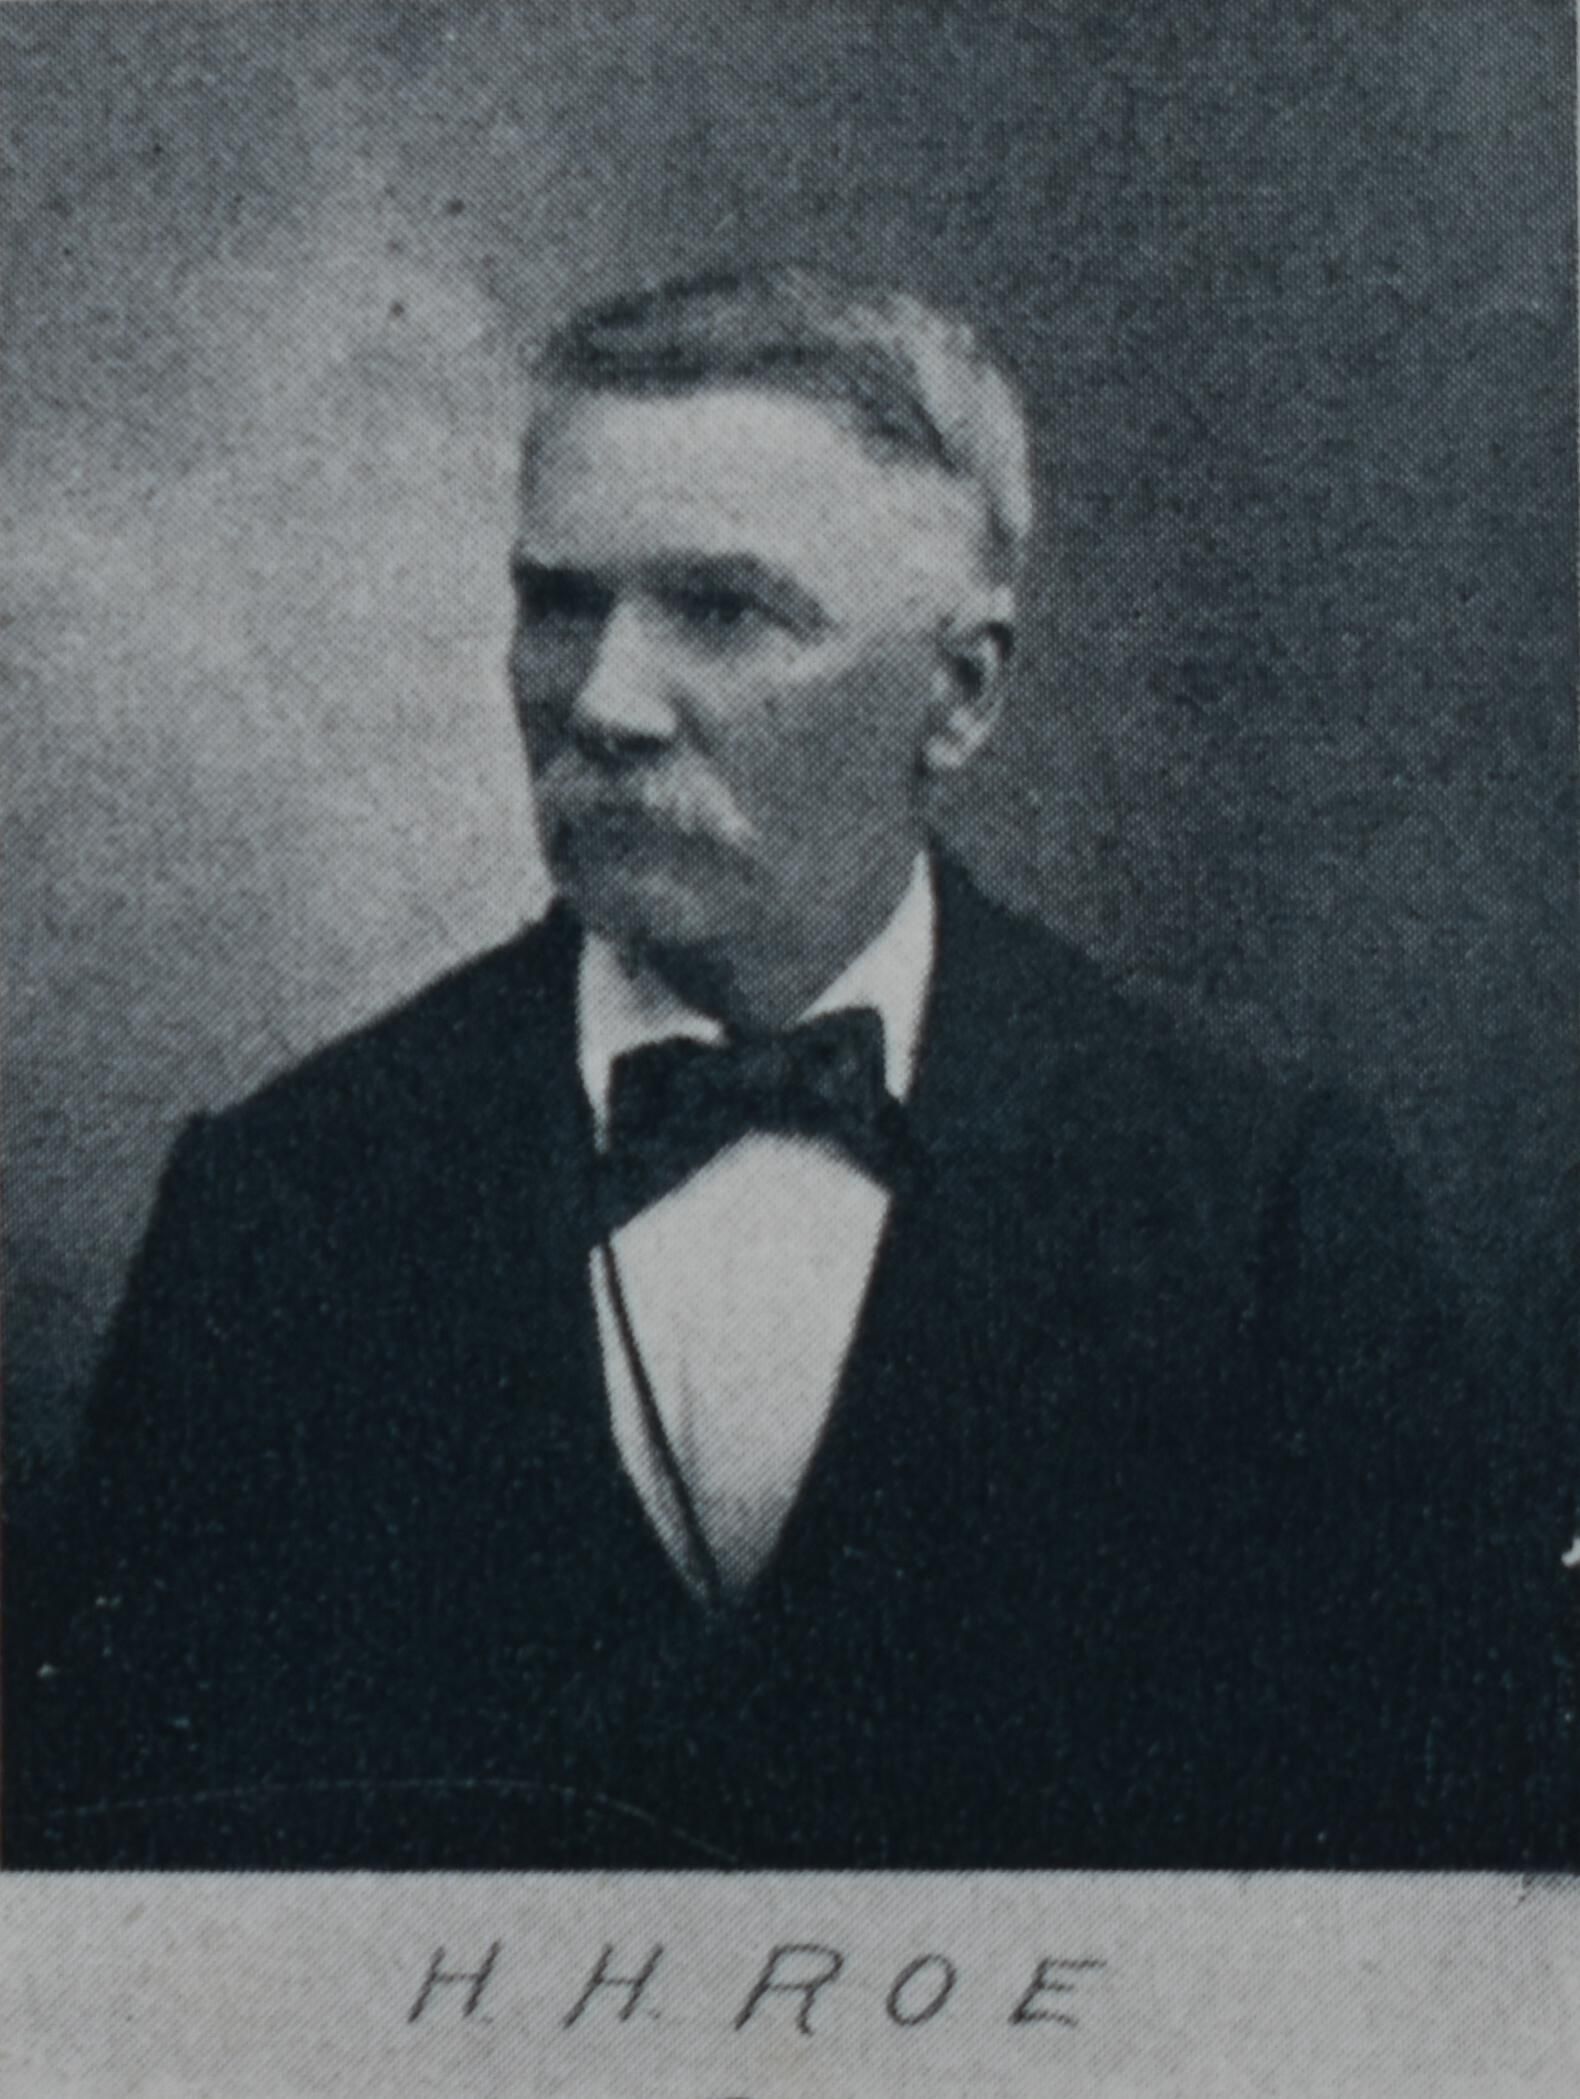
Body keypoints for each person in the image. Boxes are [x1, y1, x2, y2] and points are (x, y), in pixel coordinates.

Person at [5, 267, 1569, 1869]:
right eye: (561, 605)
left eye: (722, 610)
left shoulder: (1265, 1208)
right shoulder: (282, 1202)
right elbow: (118, 1898)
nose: (602, 704)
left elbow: (1462, 1892)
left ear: (959, 693)